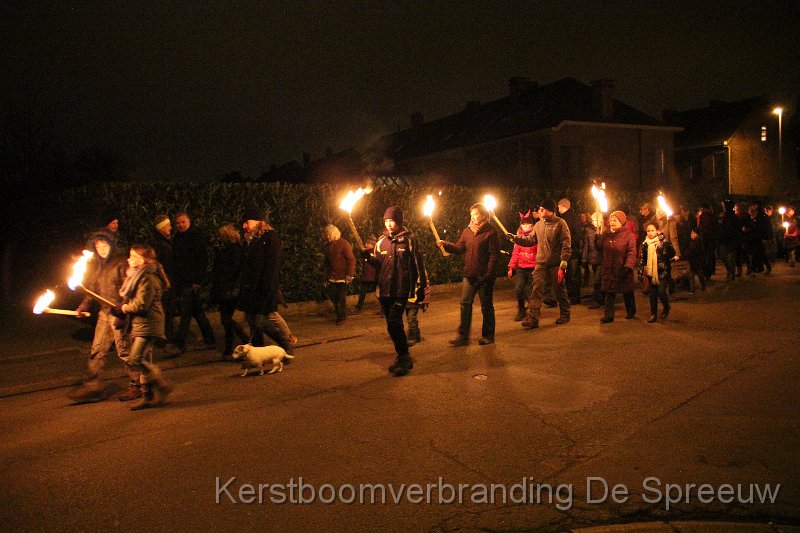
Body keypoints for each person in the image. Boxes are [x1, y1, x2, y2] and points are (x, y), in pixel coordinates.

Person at [67, 232, 136, 404]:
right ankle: (93, 386)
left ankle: (138, 384)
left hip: (119, 313)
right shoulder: (99, 266)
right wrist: (83, 306)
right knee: (97, 350)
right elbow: (91, 290)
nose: (101, 250)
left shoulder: (121, 264)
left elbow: (128, 289)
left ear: (111, 246)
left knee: (125, 351)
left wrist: (123, 310)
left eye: (104, 246)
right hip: (104, 313)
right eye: (98, 247)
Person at [111, 244, 173, 410]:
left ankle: (163, 385)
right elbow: (133, 300)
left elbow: (141, 305)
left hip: (150, 324)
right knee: (143, 360)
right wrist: (121, 306)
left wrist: (123, 308)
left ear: (142, 260)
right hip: (140, 324)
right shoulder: (136, 277)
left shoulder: (148, 278)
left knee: (135, 359)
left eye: (132, 256)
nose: (128, 259)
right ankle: (148, 397)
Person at [370, 206, 427, 376]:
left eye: (392, 221)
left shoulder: (409, 240)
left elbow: (418, 265)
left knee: (394, 322)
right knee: (392, 325)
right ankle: (401, 356)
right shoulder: (381, 241)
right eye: (386, 221)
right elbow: (378, 265)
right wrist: (367, 257)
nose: (388, 224)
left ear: (399, 221)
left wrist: (421, 287)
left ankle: (405, 357)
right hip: (386, 290)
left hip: (401, 289)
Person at [439, 203, 500, 345]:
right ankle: (462, 336)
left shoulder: (491, 232)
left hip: (484, 276)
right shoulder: (467, 231)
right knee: (465, 304)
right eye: (471, 214)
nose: (473, 217)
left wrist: (488, 275)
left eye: (476, 214)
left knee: (486, 306)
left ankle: (488, 335)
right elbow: (460, 248)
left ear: (483, 215)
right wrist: (446, 244)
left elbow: (494, 255)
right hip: (469, 275)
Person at [237, 208, 296, 354]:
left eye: (247, 222)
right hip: (251, 288)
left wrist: (266, 290)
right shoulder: (251, 239)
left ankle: (285, 345)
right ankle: (257, 352)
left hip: (263, 289)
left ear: (258, 221)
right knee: (252, 320)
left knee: (261, 320)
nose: (244, 226)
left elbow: (271, 267)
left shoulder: (270, 238)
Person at [508, 199, 571, 329]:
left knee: (559, 288)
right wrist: (515, 238)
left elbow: (566, 243)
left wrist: (563, 263)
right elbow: (530, 240)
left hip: (555, 264)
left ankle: (565, 313)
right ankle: (533, 318)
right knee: (536, 290)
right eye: (540, 209)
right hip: (540, 263)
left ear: (551, 210)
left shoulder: (560, 223)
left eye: (543, 209)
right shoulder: (538, 225)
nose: (540, 212)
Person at [171, 211, 216, 355]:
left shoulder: (196, 236)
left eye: (183, 222)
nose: (180, 225)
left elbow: (202, 260)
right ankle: (209, 338)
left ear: (188, 222)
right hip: (184, 281)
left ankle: (180, 343)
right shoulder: (178, 238)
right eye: (178, 223)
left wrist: (198, 280)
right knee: (196, 311)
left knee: (186, 313)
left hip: (191, 282)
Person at [210, 223, 249, 358]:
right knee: (227, 320)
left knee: (229, 320)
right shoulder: (227, 249)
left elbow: (236, 270)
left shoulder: (234, 250)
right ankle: (235, 346)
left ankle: (244, 343)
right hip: (225, 289)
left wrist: (234, 287)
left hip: (229, 290)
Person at [598, 210, 637, 323]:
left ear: (622, 222)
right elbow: (601, 248)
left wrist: (628, 266)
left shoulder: (628, 235)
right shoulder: (606, 234)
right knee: (609, 291)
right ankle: (609, 315)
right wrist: (598, 240)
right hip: (609, 268)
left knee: (626, 291)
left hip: (622, 267)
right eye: (611, 220)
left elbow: (631, 252)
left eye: (615, 220)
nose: (612, 222)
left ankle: (631, 310)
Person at [639, 223, 675, 323]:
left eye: (652, 230)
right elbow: (643, 258)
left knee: (661, 291)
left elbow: (672, 253)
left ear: (657, 230)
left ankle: (666, 306)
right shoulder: (645, 243)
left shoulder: (663, 242)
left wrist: (665, 245)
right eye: (648, 231)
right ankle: (653, 314)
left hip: (663, 271)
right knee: (653, 294)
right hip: (651, 272)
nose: (650, 233)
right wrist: (641, 270)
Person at [322, 224, 356, 325]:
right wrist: (325, 278)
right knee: (334, 296)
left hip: (343, 277)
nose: (327, 236)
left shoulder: (344, 243)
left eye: (329, 234)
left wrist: (349, 274)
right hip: (333, 277)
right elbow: (326, 263)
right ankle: (340, 313)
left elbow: (351, 260)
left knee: (341, 298)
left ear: (334, 234)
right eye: (326, 234)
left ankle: (341, 317)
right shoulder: (327, 246)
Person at [149, 214, 175, 345]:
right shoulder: (161, 245)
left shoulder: (163, 241)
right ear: (161, 228)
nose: (171, 227)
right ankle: (164, 338)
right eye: (168, 225)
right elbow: (166, 266)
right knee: (165, 311)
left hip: (163, 282)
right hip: (164, 283)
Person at [507, 211, 537, 321]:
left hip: (532, 268)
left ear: (532, 225)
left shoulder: (535, 237)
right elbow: (515, 254)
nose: (525, 226)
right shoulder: (518, 238)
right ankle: (521, 309)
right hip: (521, 268)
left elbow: (539, 253)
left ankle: (532, 311)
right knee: (519, 288)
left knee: (529, 291)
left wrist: (538, 266)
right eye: (523, 224)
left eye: (527, 224)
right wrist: (511, 267)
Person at [558, 198, 583, 304]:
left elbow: (577, 235)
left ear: (562, 206)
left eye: (559, 206)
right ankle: (570, 296)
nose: (558, 208)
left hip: (572, 252)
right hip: (569, 251)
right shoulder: (565, 218)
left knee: (572, 275)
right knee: (569, 275)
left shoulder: (570, 218)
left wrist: (568, 246)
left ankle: (574, 297)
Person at [355, 235, 380, 314]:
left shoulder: (375, 252)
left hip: (374, 277)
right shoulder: (365, 252)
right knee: (362, 293)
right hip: (366, 276)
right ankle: (359, 307)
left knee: (378, 293)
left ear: (372, 245)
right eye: (366, 243)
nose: (366, 244)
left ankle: (384, 308)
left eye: (368, 243)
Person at [717, 200, 740, 280]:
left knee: (731, 258)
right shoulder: (723, 216)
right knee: (723, 256)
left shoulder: (734, 217)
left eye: (724, 206)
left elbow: (736, 229)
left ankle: (732, 273)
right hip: (723, 239)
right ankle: (729, 270)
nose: (723, 207)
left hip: (731, 239)